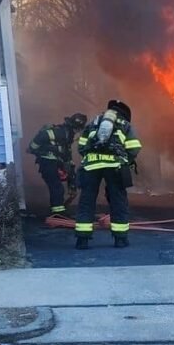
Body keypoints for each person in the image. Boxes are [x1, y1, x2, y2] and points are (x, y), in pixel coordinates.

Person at [74, 99, 142, 249]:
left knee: (86, 200)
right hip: (115, 166)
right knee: (118, 200)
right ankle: (120, 239)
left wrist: (92, 157)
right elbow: (134, 147)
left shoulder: (94, 122)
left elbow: (81, 146)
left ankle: (82, 240)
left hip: (91, 166)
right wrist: (126, 160)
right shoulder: (124, 125)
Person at [27, 113, 87, 217]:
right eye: (77, 129)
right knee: (56, 187)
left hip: (53, 162)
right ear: (74, 127)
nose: (77, 133)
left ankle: (59, 209)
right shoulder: (58, 132)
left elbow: (67, 157)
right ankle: (57, 212)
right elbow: (37, 142)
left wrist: (72, 182)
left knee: (57, 186)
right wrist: (39, 149)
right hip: (47, 162)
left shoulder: (67, 135)